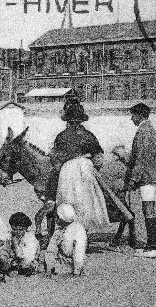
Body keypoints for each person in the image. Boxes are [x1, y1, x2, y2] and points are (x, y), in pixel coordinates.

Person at [48, 98, 119, 233]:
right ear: (82, 120)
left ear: (67, 120)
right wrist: (93, 169)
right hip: (86, 168)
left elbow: (53, 157)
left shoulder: (61, 136)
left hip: (67, 171)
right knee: (87, 200)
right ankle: (83, 231)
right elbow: (98, 159)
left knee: (68, 200)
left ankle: (69, 227)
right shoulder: (89, 135)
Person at [125, 102, 156, 259]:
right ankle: (150, 245)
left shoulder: (142, 131)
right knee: (151, 209)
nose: (131, 119)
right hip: (154, 175)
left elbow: (141, 158)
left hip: (147, 177)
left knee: (148, 209)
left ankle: (151, 247)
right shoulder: (150, 128)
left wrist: (133, 179)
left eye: (132, 115)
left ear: (139, 115)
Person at [45, 203, 87, 276]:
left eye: (56, 217)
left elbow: (79, 252)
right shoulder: (59, 231)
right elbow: (51, 249)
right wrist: (49, 267)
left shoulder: (78, 231)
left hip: (72, 262)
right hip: (63, 259)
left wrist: (76, 271)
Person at [0, 212, 40, 276]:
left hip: (26, 262)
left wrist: (16, 245)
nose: (18, 232)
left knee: (26, 266)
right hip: (13, 261)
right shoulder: (10, 235)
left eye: (21, 230)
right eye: (14, 229)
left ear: (26, 228)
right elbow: (3, 250)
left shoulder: (30, 238)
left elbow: (27, 258)